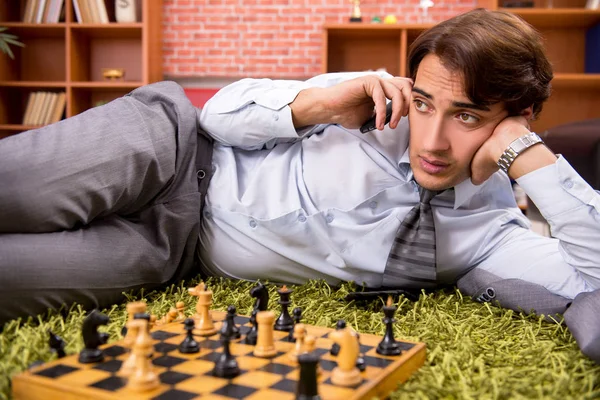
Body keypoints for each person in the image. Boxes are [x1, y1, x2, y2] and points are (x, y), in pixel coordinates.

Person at [0, 9, 598, 361]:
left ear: (517, 117)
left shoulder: (491, 238)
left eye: (467, 116)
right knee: (18, 190)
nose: (432, 140)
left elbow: (591, 277)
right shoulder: (369, 101)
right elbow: (217, 115)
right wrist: (314, 104)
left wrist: (528, 155)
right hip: (171, 151)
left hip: (174, 252)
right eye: (424, 102)